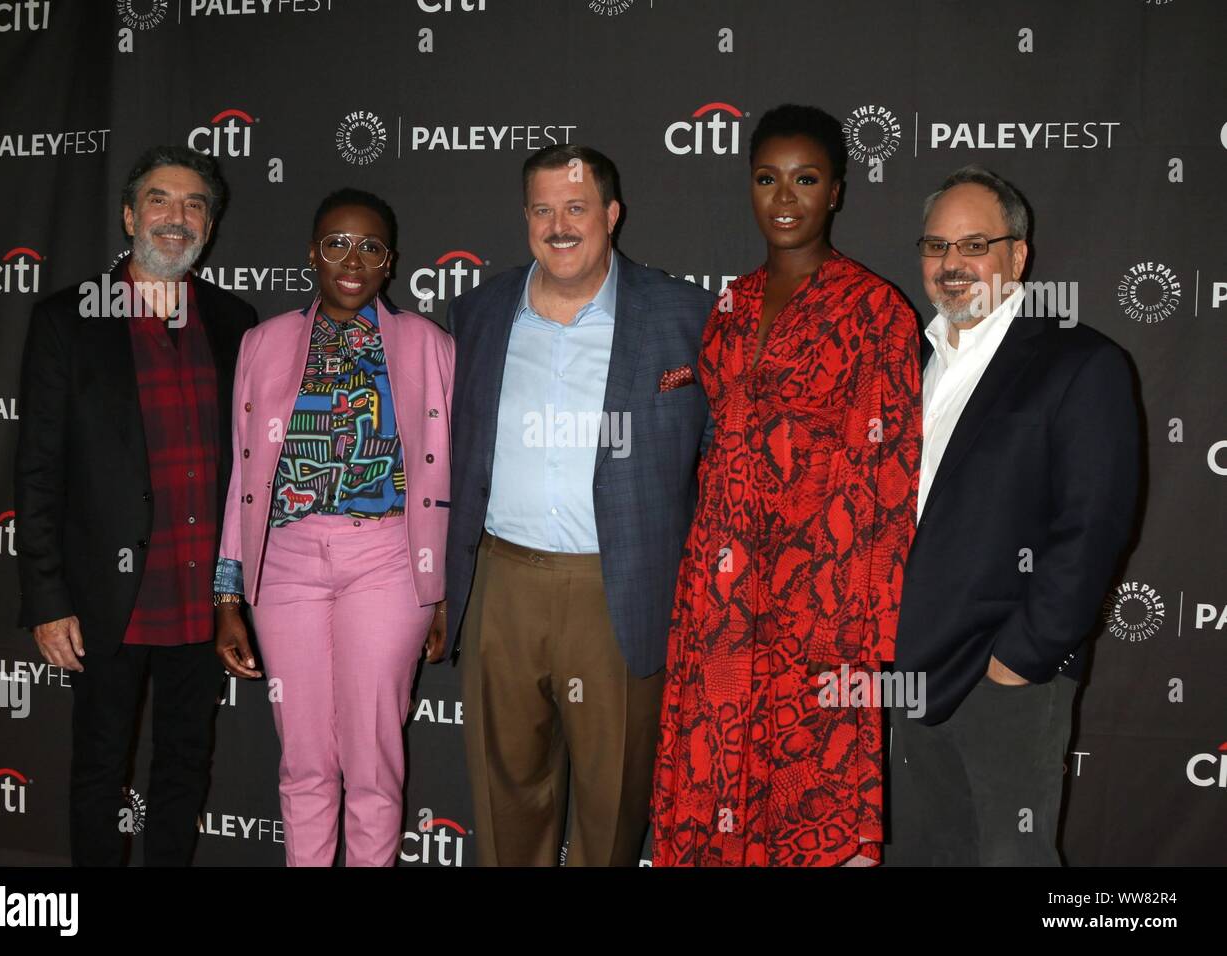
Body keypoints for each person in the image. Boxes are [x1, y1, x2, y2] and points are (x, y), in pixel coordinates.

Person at [651, 104, 922, 867]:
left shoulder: (877, 312)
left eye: (805, 179)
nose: (784, 198)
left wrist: (869, 629)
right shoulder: (729, 307)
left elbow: (892, 478)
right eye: (767, 178)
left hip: (824, 602)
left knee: (812, 803)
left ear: (836, 189)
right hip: (720, 594)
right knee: (714, 787)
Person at [435, 144, 714, 866]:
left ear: (612, 215)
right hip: (502, 587)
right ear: (526, 217)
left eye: (577, 207)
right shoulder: (476, 314)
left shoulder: (685, 315)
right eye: (542, 209)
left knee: (611, 807)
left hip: (620, 591)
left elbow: (724, 460)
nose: (559, 225)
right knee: (505, 802)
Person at [886, 165, 1140, 866]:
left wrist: (1020, 658)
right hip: (904, 670)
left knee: (1010, 858)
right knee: (923, 856)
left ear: (1017, 256)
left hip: (1005, 675)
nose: (951, 265)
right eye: (936, 247)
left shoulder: (1080, 362)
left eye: (974, 246)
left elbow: (1091, 528)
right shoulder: (905, 363)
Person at [15, 145, 257, 866]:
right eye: (160, 200)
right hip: (105, 600)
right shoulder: (68, 319)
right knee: (99, 771)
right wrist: (47, 599)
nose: (176, 218)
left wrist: (237, 592)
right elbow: (36, 468)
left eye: (193, 206)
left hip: (204, 598)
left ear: (209, 228)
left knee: (185, 765)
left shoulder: (235, 320)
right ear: (129, 215)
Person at [213, 188, 453, 867]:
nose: (353, 258)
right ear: (312, 253)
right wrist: (227, 592)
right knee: (305, 760)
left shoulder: (428, 345)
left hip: (387, 560)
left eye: (370, 246)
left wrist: (440, 591)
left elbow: (448, 482)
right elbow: (244, 474)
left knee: (374, 762)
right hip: (285, 564)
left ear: (390, 263)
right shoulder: (264, 343)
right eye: (337, 243)